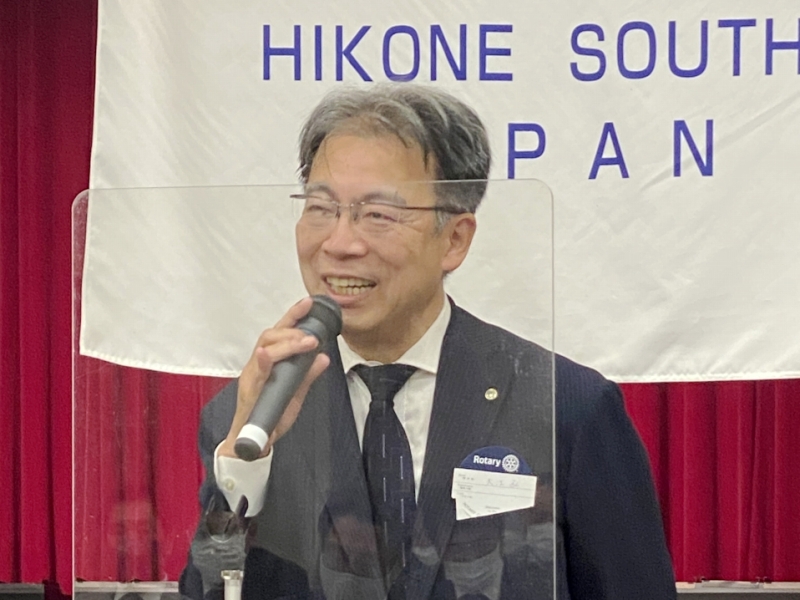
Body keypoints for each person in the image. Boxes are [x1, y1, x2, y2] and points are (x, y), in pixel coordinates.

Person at [180, 84, 676, 600]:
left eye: (378, 214)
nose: (339, 243)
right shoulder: (249, 419)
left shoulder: (563, 407)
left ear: (454, 239)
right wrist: (243, 468)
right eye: (322, 208)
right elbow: (209, 589)